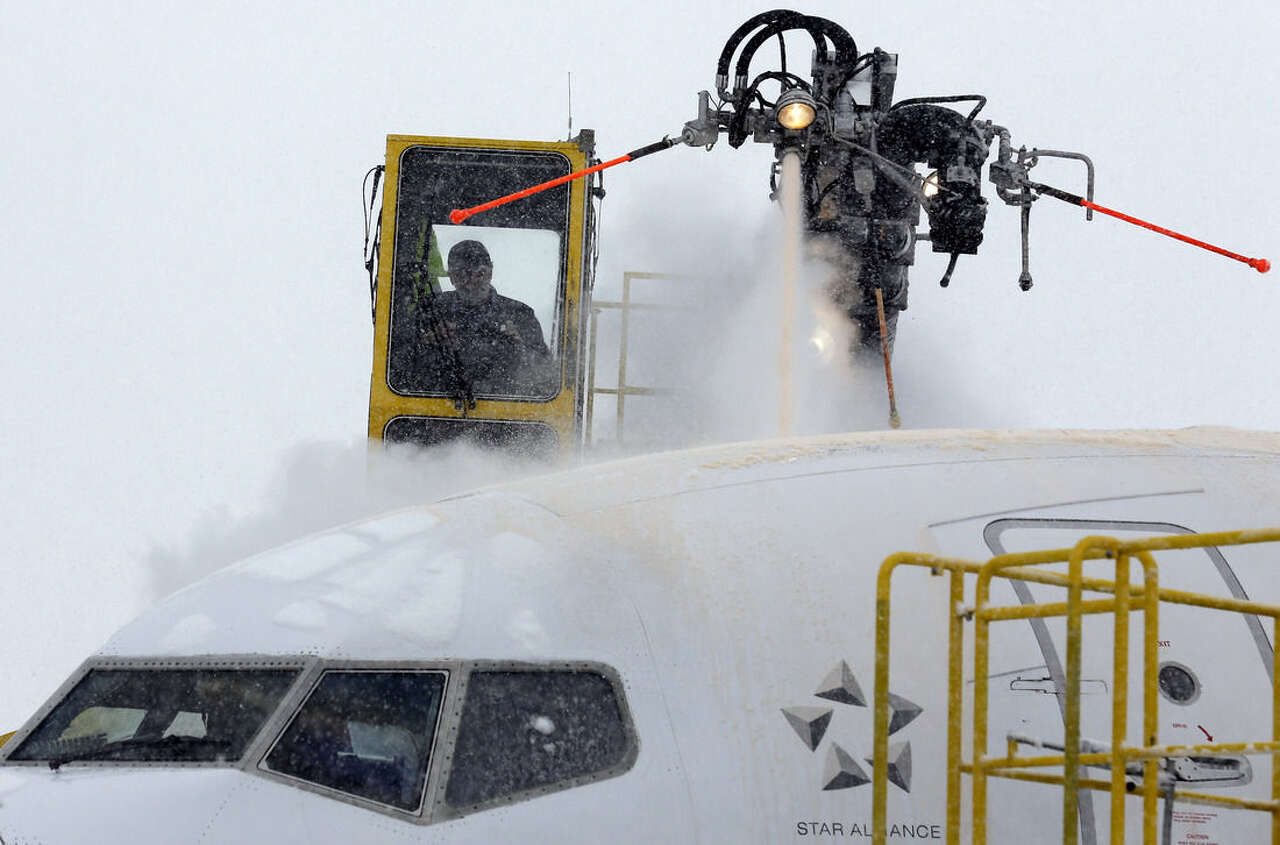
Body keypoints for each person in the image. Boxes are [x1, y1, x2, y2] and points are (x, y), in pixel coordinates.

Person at [414, 239, 554, 397]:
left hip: (506, 409)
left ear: (490, 273)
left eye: (479, 273)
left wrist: (520, 347)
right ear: (451, 277)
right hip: (434, 409)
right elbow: (400, 365)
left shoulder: (521, 314)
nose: (470, 283)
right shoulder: (430, 310)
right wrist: (427, 343)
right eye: (462, 275)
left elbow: (546, 376)